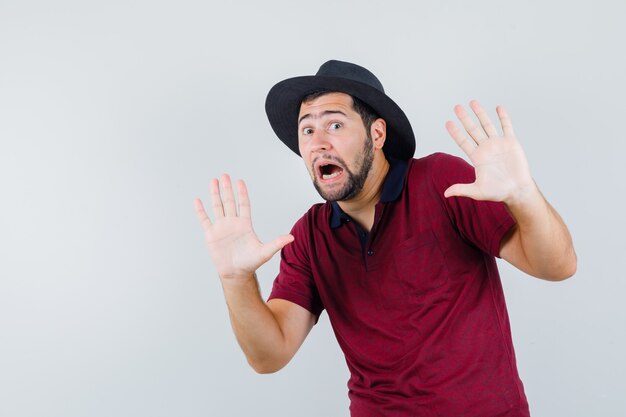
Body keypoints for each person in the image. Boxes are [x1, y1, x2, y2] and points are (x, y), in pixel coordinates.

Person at [194, 60, 577, 417]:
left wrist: (524, 195)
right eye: (307, 130)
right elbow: (269, 355)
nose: (318, 142)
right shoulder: (308, 237)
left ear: (377, 134)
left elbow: (558, 266)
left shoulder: (441, 181)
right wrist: (236, 280)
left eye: (336, 125)